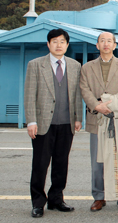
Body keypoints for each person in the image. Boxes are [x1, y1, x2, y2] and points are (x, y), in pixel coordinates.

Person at [24, 28, 82, 218]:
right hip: (42, 123)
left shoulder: (74, 65)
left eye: (62, 41)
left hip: (66, 123)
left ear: (67, 44)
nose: (59, 45)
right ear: (48, 44)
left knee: (61, 164)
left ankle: (56, 199)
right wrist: (31, 120)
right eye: (55, 41)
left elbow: (77, 94)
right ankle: (38, 202)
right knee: (40, 164)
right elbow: (29, 94)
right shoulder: (35, 65)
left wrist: (77, 118)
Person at [80, 32, 118, 211]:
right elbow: (84, 89)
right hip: (97, 119)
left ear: (114, 45)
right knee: (98, 161)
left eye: (109, 41)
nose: (106, 44)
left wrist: (113, 104)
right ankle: (99, 196)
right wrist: (97, 106)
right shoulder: (87, 67)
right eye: (102, 41)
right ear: (97, 45)